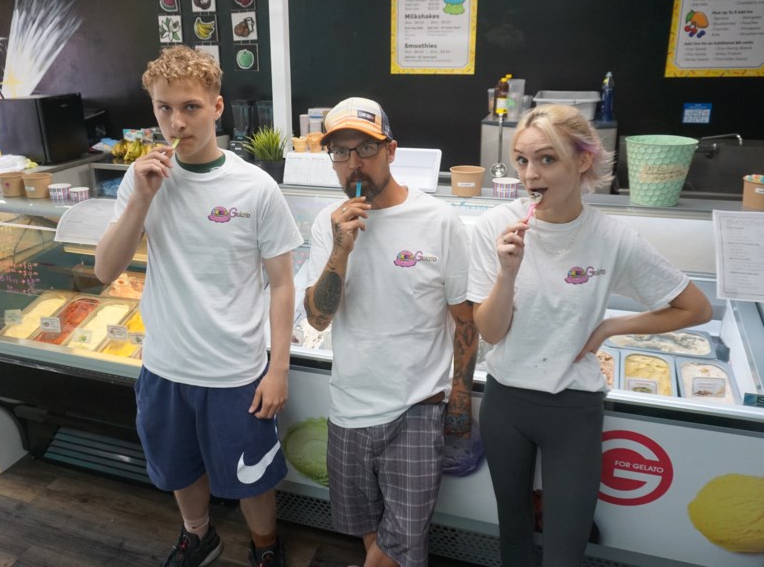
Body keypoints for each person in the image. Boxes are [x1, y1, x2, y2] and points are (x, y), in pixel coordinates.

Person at [467, 104, 713, 567]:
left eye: (547, 159)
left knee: (566, 547)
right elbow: (491, 332)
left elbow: (695, 308)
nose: (530, 175)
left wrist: (612, 327)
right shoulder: (493, 228)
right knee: (513, 536)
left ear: (582, 161)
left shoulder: (612, 237)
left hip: (573, 408)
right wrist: (507, 272)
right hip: (506, 403)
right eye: (521, 160)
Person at [94, 45, 303, 567]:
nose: (176, 121)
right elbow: (105, 270)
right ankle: (198, 535)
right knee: (179, 467)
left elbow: (282, 284)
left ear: (217, 107)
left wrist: (278, 369)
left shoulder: (255, 187)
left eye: (189, 107)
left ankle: (264, 546)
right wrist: (141, 198)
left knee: (251, 473)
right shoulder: (140, 180)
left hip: (235, 368)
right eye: (164, 108)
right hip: (164, 363)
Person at [303, 97, 478, 567]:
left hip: (417, 409)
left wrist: (459, 397)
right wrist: (341, 249)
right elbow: (318, 319)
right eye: (340, 152)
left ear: (392, 151)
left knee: (399, 546)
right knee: (371, 533)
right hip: (349, 406)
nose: (353, 163)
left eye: (365, 149)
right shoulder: (328, 223)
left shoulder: (438, 221)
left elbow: (465, 319)